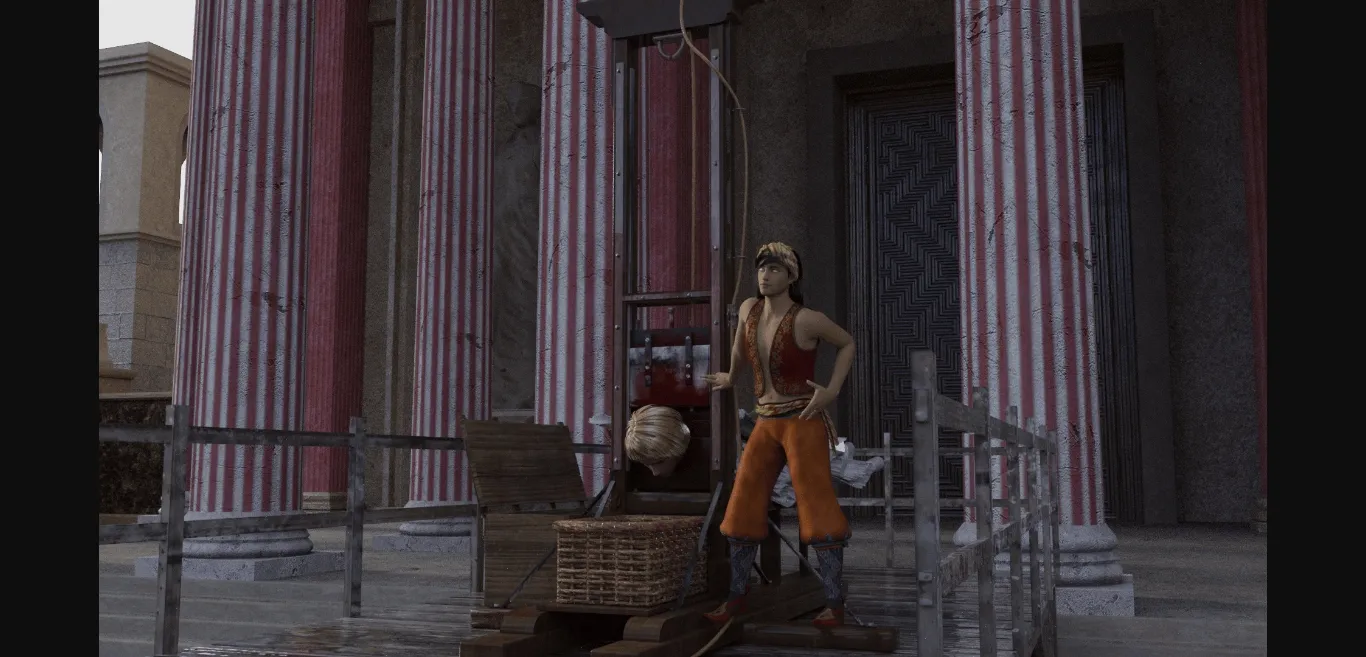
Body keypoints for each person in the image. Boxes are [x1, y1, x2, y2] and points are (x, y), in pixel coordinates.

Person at [700, 241, 856, 628]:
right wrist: (730, 375)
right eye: (761, 268)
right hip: (766, 421)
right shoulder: (748, 309)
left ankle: (834, 603)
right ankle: (736, 596)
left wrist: (831, 391)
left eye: (773, 269)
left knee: (817, 507)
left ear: (791, 276)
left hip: (803, 419)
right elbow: (741, 348)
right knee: (742, 504)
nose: (764, 276)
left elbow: (847, 343)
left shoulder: (808, 320)